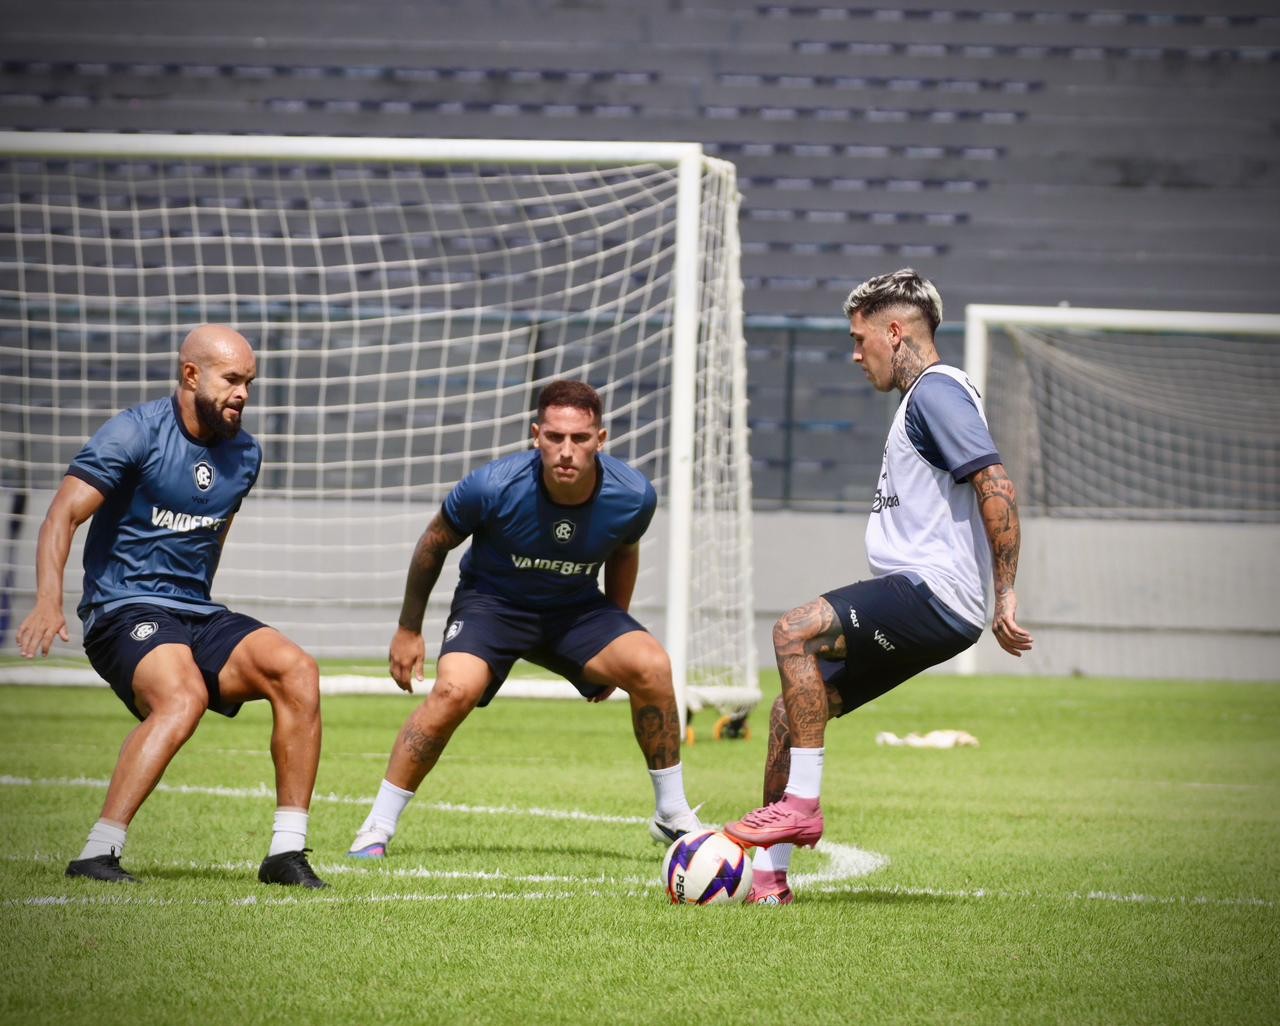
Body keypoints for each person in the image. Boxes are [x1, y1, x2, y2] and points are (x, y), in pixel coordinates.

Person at [723, 269, 1034, 905]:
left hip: (934, 595)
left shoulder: (936, 394)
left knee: (793, 631)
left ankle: (802, 806)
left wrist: (1005, 592)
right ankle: (768, 881)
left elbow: (996, 484)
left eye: (860, 337)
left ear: (895, 332)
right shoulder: (922, 401)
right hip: (926, 599)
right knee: (789, 712)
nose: (854, 352)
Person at [15, 325, 326, 888]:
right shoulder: (133, 433)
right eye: (232, 379)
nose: (243, 394)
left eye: (249, 383)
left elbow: (216, 531)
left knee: (297, 670)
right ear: (191, 375)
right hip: (122, 609)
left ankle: (286, 853)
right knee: (184, 696)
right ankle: (98, 852)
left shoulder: (246, 453)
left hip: (193, 612)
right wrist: (47, 600)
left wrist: (195, 617)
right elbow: (62, 514)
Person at [347, 380, 702, 859]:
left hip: (576, 612)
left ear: (601, 440)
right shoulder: (491, 486)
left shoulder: (634, 495)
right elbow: (434, 543)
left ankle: (672, 814)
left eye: (579, 439)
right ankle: (376, 828)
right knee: (453, 691)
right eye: (555, 437)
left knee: (653, 666)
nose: (566, 451)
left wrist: (613, 633)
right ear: (536, 435)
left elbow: (624, 552)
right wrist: (408, 629)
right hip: (491, 606)